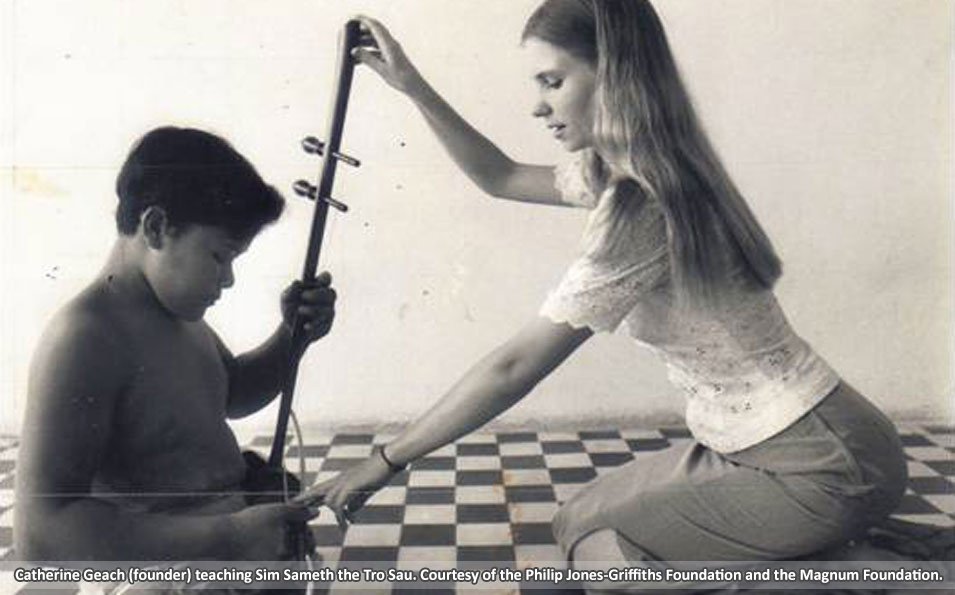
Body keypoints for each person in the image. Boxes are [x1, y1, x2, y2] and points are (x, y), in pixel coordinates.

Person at [303, 1, 923, 590]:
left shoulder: (640, 204)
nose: (538, 107)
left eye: (552, 81)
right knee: (575, 524)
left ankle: (874, 578)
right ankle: (841, 554)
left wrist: (385, 460)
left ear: (614, 75)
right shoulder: (633, 168)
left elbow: (515, 366)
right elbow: (500, 176)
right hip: (781, 444)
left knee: (603, 567)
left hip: (822, 462)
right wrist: (411, 84)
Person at [15, 127, 335, 568]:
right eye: (219, 256)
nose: (227, 279)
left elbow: (232, 394)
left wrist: (291, 338)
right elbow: (41, 533)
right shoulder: (85, 336)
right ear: (157, 227)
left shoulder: (176, 313)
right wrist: (229, 535)